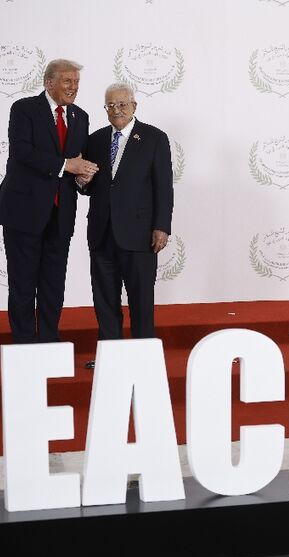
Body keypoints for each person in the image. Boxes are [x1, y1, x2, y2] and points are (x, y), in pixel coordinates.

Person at [0, 59, 98, 344]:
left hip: (61, 214)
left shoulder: (81, 117)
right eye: (67, 81)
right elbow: (22, 153)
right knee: (23, 283)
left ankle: (50, 341)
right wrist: (66, 165)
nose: (73, 87)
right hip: (23, 212)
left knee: (53, 284)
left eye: (76, 82)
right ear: (49, 83)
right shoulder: (24, 109)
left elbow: (78, 163)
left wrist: (83, 177)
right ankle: (24, 344)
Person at [78, 82, 174, 363]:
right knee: (105, 301)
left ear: (134, 106)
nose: (116, 110)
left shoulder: (154, 138)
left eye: (122, 104)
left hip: (140, 234)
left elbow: (164, 187)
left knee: (141, 301)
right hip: (102, 233)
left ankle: (143, 358)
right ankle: (111, 358)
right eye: (110, 105)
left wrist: (162, 226)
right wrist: (82, 182)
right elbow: (88, 185)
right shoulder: (95, 140)